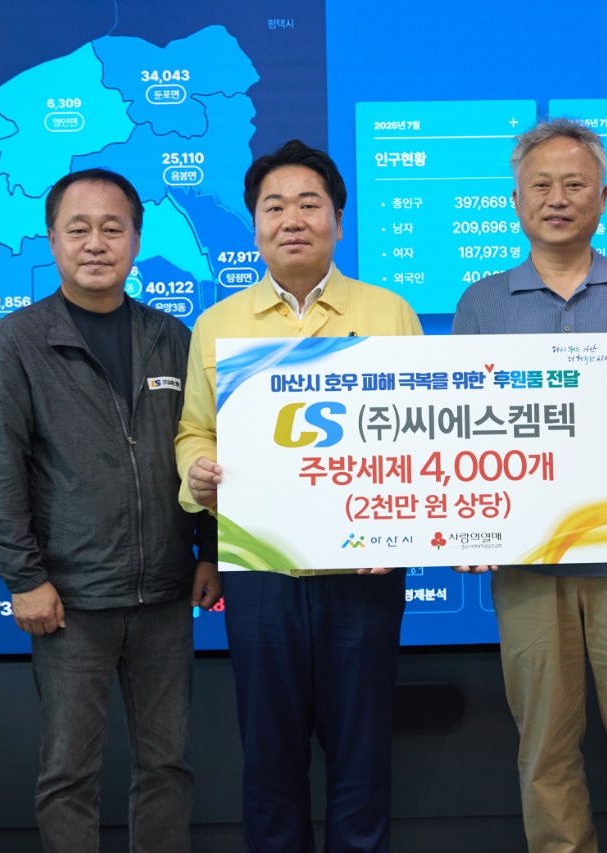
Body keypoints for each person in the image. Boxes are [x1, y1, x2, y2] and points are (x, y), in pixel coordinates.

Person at [451, 118, 607, 853]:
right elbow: (457, 425)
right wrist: (467, 522)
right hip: (531, 564)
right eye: (540, 185)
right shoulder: (482, 303)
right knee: (544, 746)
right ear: (516, 200)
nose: (556, 198)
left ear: (603, 198)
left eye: (574, 184)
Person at [176, 139, 420, 853]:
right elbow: (194, 429)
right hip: (260, 572)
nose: (292, 219)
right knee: (270, 760)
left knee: (363, 757)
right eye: (273, 206)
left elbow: (419, 435)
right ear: (254, 225)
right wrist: (197, 471)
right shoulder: (217, 324)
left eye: (310, 204)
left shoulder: (388, 312)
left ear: (338, 221)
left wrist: (405, 530)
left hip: (365, 569)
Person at [0, 168, 219, 852]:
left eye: (113, 228)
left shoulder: (172, 336)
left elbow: (201, 447)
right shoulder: (15, 342)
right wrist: (24, 578)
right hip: (68, 600)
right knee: (68, 774)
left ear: (137, 239)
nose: (96, 243)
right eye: (77, 228)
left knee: (167, 765)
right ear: (52, 239)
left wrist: (208, 552)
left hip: (165, 592)